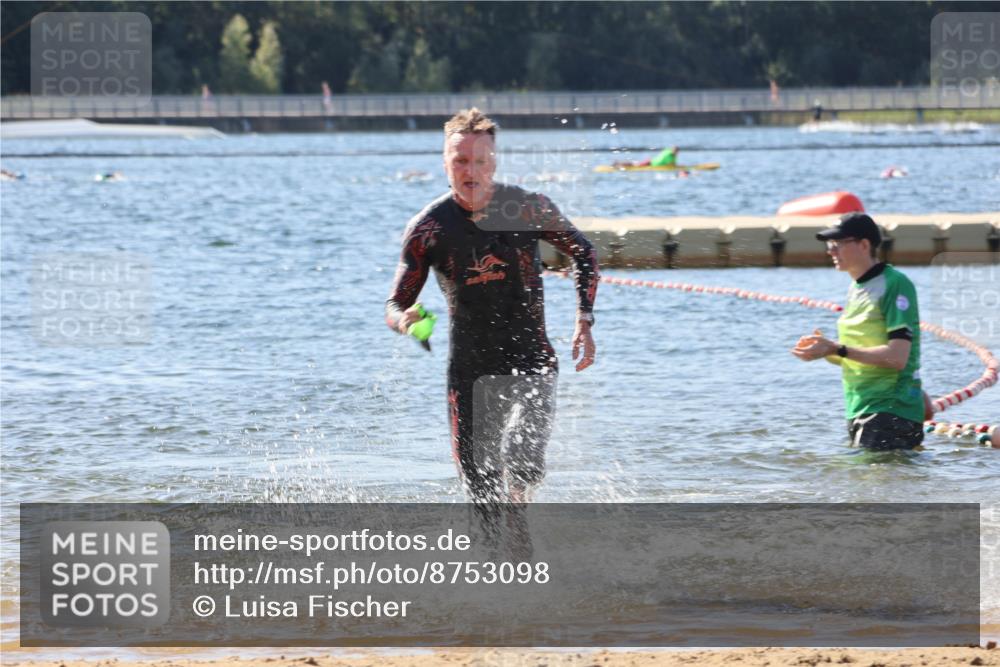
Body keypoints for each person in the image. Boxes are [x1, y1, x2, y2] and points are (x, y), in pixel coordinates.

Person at [385, 108, 598, 514]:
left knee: (521, 463)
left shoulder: (527, 208)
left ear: (494, 162)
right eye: (460, 161)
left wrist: (584, 320)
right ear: (445, 163)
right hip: (470, 369)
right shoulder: (428, 230)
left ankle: (519, 530)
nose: (471, 171)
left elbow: (584, 252)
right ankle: (499, 549)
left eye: (480, 161)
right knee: (482, 495)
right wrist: (405, 321)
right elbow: (395, 304)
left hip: (531, 358)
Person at [791, 212, 925, 451]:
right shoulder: (857, 287)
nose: (831, 251)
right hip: (861, 407)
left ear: (864, 245)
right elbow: (860, 353)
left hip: (888, 411)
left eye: (838, 244)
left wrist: (837, 349)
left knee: (874, 475)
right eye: (830, 245)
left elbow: (897, 357)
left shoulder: (894, 283)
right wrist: (824, 350)